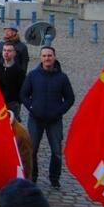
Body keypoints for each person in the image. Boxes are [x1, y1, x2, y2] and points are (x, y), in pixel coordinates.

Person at [20, 46, 75, 189]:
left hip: (54, 120)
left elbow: (70, 98)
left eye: (49, 55)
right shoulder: (33, 75)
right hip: (35, 119)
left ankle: (54, 178)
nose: (47, 58)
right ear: (40, 58)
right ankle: (33, 177)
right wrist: (31, 107)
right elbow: (24, 94)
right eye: (44, 56)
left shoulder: (62, 77)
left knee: (56, 151)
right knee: (32, 150)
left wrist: (59, 111)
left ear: (54, 57)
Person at [0, 42, 27, 120]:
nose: (6, 52)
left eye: (9, 51)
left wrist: (18, 101)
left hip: (12, 103)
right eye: (4, 50)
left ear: (14, 53)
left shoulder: (19, 70)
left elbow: (23, 88)